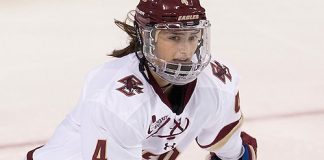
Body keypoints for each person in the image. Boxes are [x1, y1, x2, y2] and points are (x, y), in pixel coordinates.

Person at [26, 0, 257, 159]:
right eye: (174, 37)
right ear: (146, 38)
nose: (186, 51)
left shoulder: (217, 84)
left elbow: (235, 152)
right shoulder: (114, 100)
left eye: (193, 36)